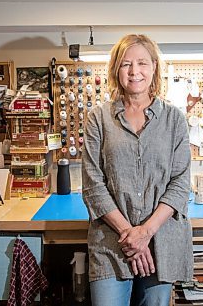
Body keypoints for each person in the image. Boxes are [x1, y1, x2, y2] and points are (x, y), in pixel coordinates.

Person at [82, 34, 193, 306]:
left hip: (161, 240)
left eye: (142, 62)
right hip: (111, 242)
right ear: (115, 71)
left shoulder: (174, 119)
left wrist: (145, 233)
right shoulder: (98, 118)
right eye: (125, 64)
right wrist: (131, 236)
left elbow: (180, 183)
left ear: (154, 67)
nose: (134, 72)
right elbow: (93, 185)